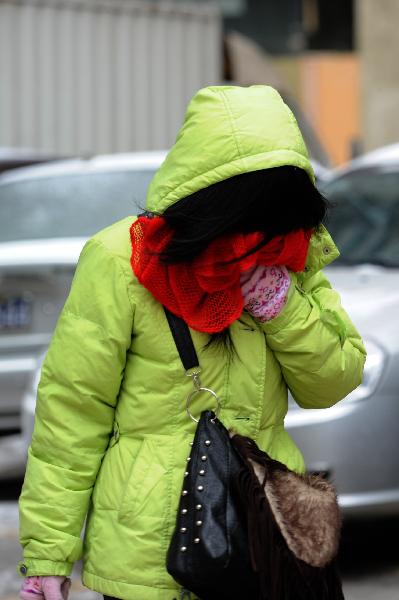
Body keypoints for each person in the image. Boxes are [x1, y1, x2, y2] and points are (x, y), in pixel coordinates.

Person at [18, 85, 366, 600]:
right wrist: (48, 555)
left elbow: (333, 380)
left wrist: (282, 306)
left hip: (265, 535)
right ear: (218, 197)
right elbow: (72, 413)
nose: (259, 232)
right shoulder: (122, 259)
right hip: (149, 553)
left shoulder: (291, 253)